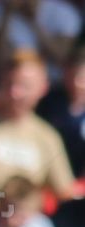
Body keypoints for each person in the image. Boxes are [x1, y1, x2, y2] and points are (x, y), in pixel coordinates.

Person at [0, 51, 75, 210]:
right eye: (10, 84)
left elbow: (64, 191)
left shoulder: (47, 136)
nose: (15, 93)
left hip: (29, 222)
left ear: (43, 88)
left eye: (24, 86)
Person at [0, 0, 79, 76]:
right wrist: (7, 14)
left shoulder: (64, 12)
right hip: (9, 84)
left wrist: (33, 21)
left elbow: (61, 57)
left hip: (55, 87)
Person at [38, 45, 85, 178]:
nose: (77, 83)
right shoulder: (49, 101)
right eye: (73, 76)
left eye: (82, 78)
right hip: (46, 172)